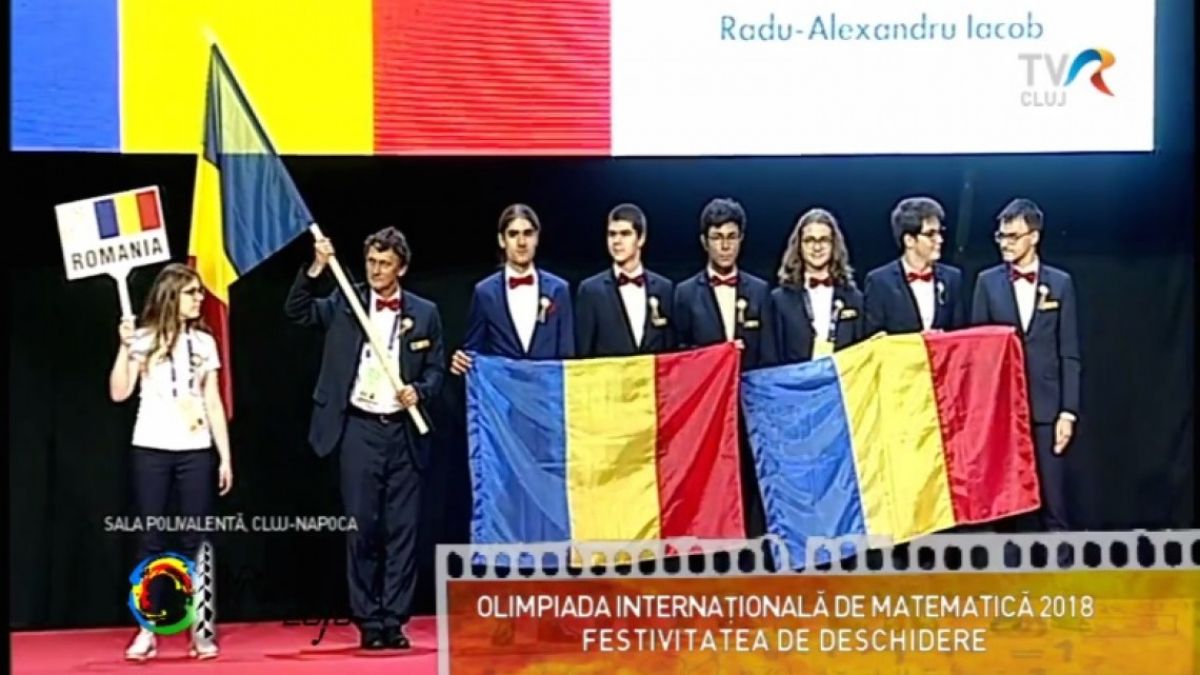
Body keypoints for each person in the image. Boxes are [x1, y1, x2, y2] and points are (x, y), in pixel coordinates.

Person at [284, 227, 445, 650]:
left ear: (401, 268)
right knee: (362, 528)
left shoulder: (425, 313)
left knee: (402, 531)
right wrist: (317, 267)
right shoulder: (346, 301)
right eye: (371, 261)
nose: (376, 270)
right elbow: (297, 310)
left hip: (404, 433)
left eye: (385, 263)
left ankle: (394, 620)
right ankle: (369, 621)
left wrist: (420, 391)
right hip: (359, 429)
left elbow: (436, 369)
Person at [110, 263, 232, 661]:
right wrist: (124, 347)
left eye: (199, 292)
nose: (199, 298)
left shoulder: (205, 342)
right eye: (191, 292)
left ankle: (200, 629)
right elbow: (119, 392)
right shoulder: (143, 338)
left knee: (198, 540)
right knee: (151, 539)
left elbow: (213, 400)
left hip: (195, 448)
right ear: (171, 296)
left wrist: (224, 456)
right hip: (151, 447)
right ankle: (147, 629)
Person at [972, 198, 1080, 540]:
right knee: (1006, 503)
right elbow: (979, 354)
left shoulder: (1060, 283)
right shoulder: (987, 283)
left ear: (1034, 237)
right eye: (1001, 236)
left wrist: (1068, 412)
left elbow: (1069, 352)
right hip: (1003, 410)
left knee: (1054, 503)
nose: (1005, 243)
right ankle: (1006, 569)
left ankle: (1061, 567)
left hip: (1047, 409)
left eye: (1013, 236)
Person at [674, 197, 776, 546]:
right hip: (705, 413)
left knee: (749, 479)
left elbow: (769, 356)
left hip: (749, 408)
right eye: (717, 237)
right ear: (705, 241)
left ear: (741, 239)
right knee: (707, 481)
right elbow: (680, 358)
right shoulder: (684, 294)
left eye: (731, 237)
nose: (725, 245)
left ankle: (752, 550)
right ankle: (708, 549)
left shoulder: (760, 291)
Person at [450, 203, 574, 375]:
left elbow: (568, 355)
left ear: (537, 238)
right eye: (513, 234)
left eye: (528, 233)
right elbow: (474, 352)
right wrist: (461, 362)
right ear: (502, 240)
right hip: (503, 390)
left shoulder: (558, 289)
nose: (521, 242)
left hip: (548, 388)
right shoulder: (484, 292)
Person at [575, 203, 674, 357]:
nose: (616, 241)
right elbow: (583, 353)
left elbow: (671, 351)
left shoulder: (664, 288)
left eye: (625, 234)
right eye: (612, 234)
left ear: (641, 238)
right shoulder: (590, 291)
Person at [772, 208, 865, 363]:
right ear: (799, 246)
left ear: (834, 245)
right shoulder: (779, 300)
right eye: (809, 240)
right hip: (796, 377)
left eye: (824, 240)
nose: (817, 247)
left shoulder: (854, 298)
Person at [863, 196, 965, 336]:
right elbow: (874, 339)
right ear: (909, 240)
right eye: (930, 234)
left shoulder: (952, 278)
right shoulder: (879, 282)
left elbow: (960, 333)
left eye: (940, 232)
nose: (940, 240)